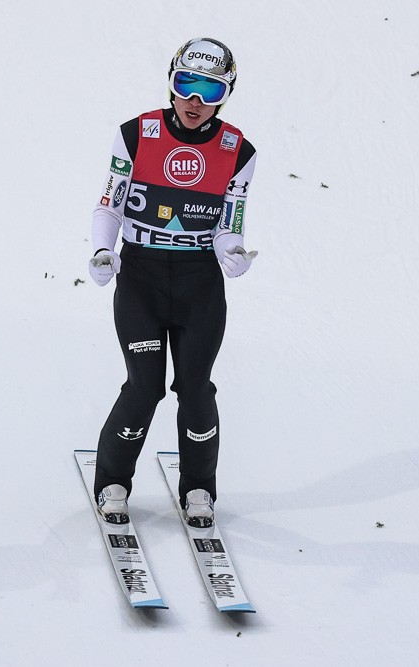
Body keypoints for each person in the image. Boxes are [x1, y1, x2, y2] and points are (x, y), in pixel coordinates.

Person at [88, 37, 257, 528]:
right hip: (140, 277)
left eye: (210, 90)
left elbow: (229, 221)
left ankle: (199, 487)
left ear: (226, 95)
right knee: (145, 387)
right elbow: (111, 204)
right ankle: (113, 482)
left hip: (198, 283)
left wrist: (231, 252)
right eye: (186, 85)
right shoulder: (137, 133)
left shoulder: (238, 150)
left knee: (196, 389)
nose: (195, 101)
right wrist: (102, 250)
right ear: (171, 83)